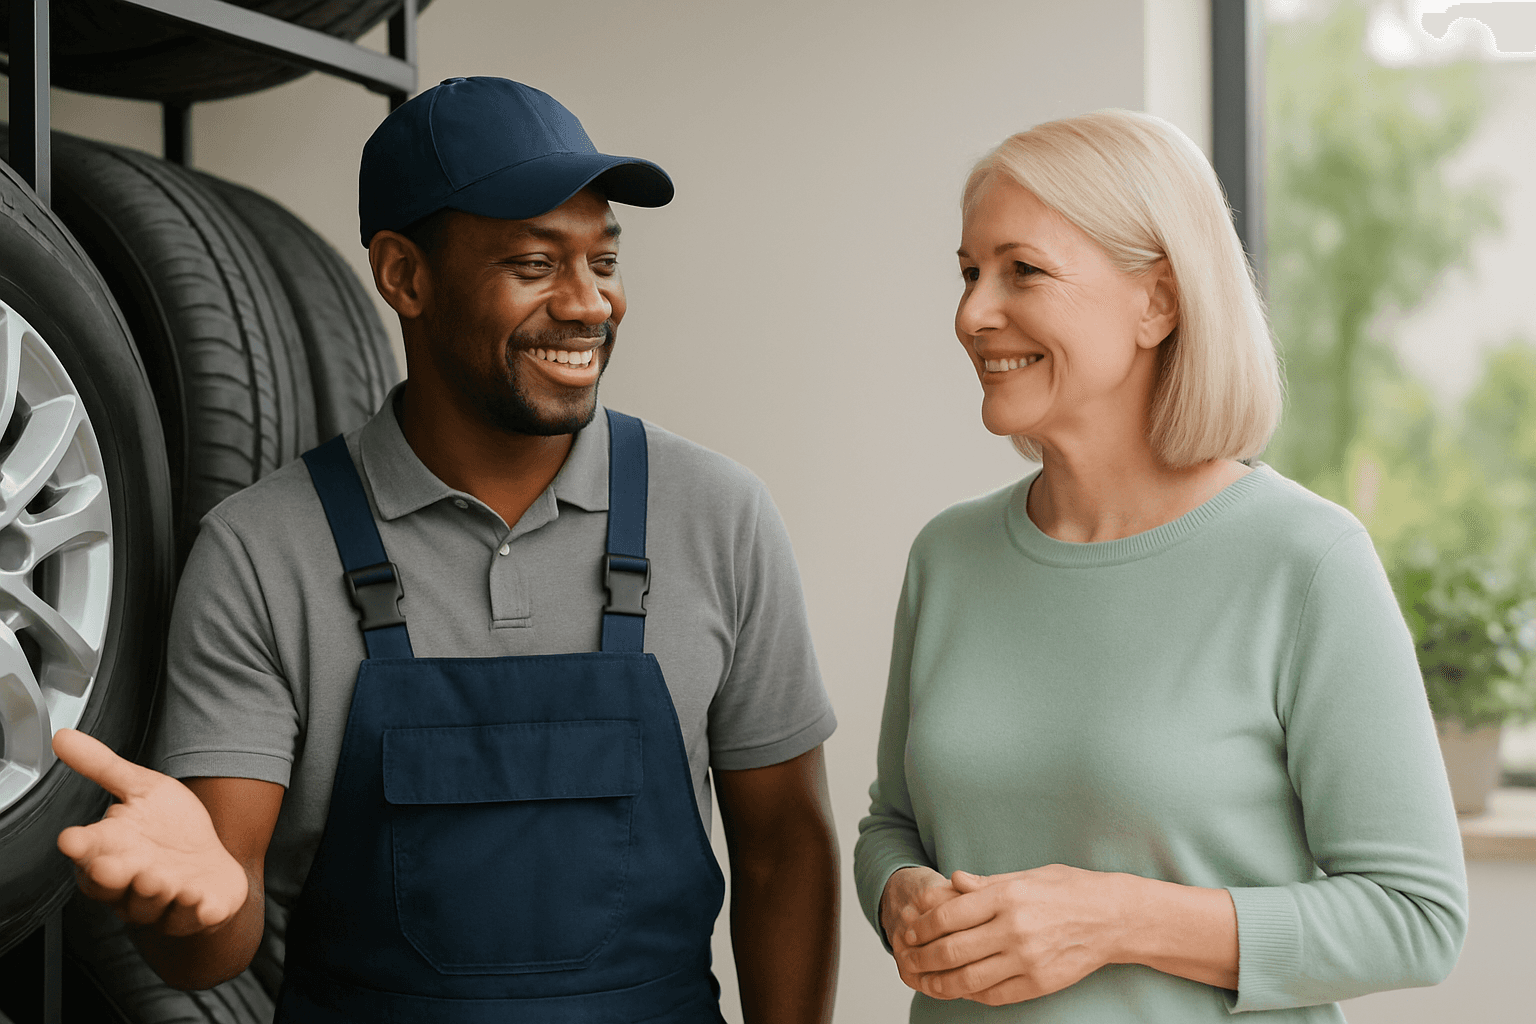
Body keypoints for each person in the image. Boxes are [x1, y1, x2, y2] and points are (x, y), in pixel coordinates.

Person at [52, 76, 840, 1024]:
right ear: (403, 277)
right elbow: (212, 941)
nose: (590, 306)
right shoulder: (264, 551)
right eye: (536, 265)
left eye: (604, 259)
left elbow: (783, 853)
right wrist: (191, 900)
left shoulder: (718, 516)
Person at [853, 110, 1467, 1023]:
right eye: (969, 273)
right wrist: (898, 893)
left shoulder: (1304, 561)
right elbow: (892, 826)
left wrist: (1114, 919)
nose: (973, 314)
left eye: (1023, 270)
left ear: (1160, 303)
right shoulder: (949, 556)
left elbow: (1416, 919)